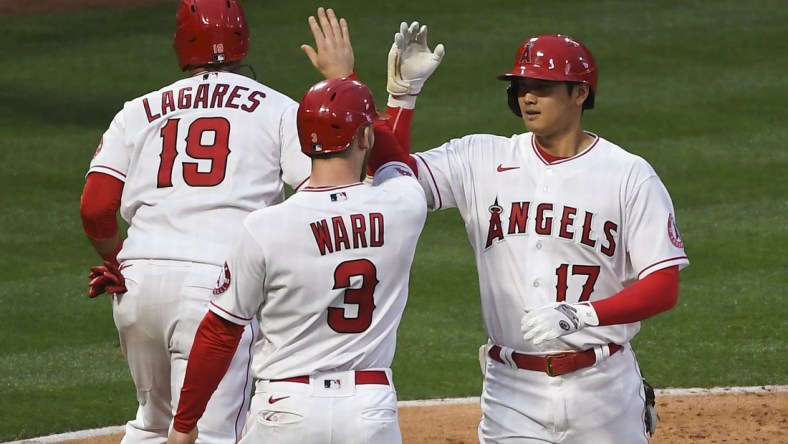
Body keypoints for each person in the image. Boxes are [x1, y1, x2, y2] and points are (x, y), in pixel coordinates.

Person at [375, 27, 690, 443]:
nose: (527, 96)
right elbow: (390, 179)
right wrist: (402, 99)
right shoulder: (481, 158)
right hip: (512, 391)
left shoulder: (628, 174)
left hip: (603, 388)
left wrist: (586, 314)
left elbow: (664, 286)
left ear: (580, 93)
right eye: (522, 86)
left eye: (542, 86)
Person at [79, 2, 354, 442]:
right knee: (209, 434)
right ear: (244, 40)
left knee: (151, 425)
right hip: (218, 291)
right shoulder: (281, 110)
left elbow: (95, 208)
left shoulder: (138, 110)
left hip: (138, 283)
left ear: (180, 44)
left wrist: (118, 261)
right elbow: (315, 192)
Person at [167, 75, 428, 444]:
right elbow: (395, 159)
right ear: (364, 137)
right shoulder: (403, 206)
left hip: (286, 407)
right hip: (369, 408)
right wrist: (376, 86)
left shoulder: (264, 226)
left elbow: (220, 332)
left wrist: (184, 423)